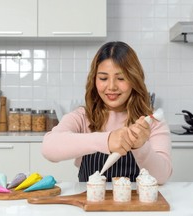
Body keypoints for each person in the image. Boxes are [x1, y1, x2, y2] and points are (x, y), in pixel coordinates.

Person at [41, 41, 172, 184]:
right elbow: (49, 148)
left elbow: (162, 176)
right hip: (90, 203)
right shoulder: (83, 117)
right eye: (103, 78)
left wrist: (141, 146)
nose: (111, 87)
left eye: (121, 78)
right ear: (94, 79)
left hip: (136, 205)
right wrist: (107, 141)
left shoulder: (150, 122)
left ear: (134, 80)